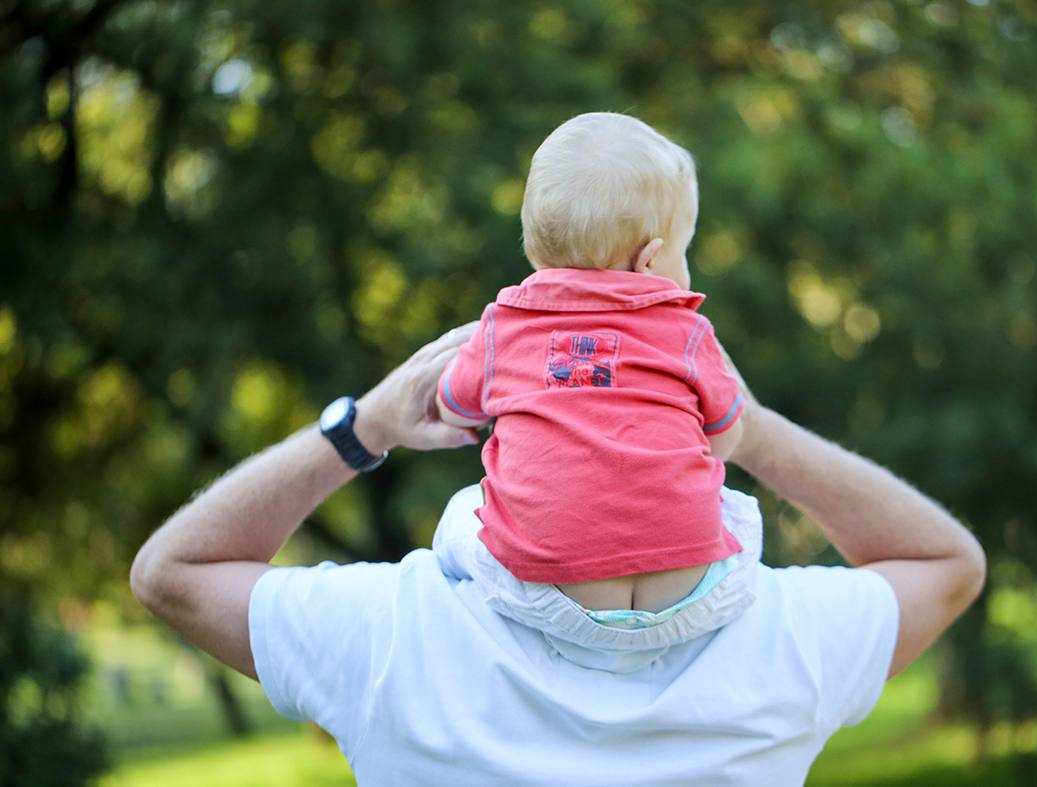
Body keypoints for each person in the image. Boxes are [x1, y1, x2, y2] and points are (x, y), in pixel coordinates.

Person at [131, 323, 986, 785]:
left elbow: (172, 574)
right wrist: (753, 432)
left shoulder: (395, 638)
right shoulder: (786, 644)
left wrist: (367, 427)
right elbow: (946, 564)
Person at [432, 113, 750, 621]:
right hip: (690, 590)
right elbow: (727, 439)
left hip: (548, 594)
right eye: (684, 252)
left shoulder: (503, 325)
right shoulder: (688, 330)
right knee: (735, 507)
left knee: (462, 513)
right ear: (650, 261)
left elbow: (451, 406)